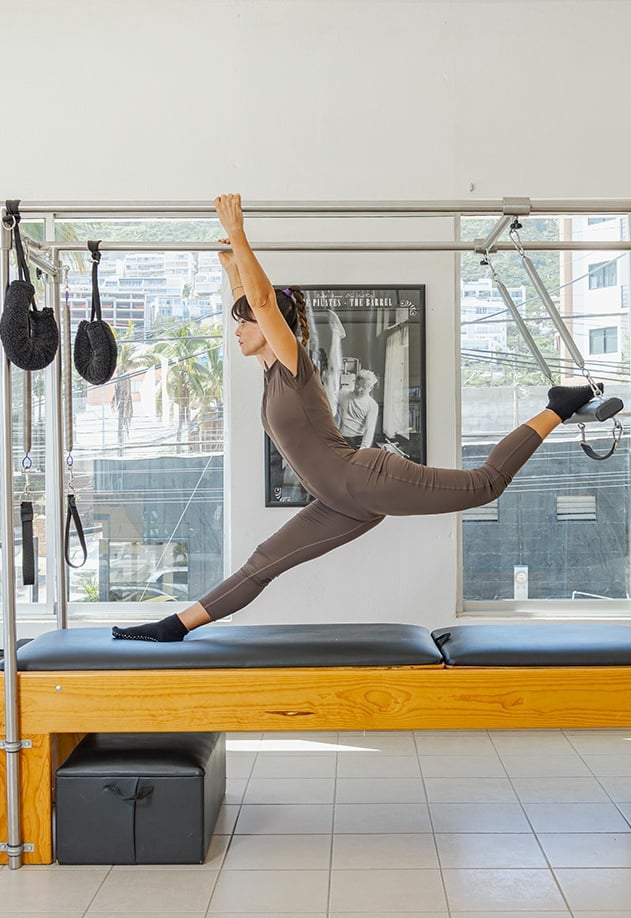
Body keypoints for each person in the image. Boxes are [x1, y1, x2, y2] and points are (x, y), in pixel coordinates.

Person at [113, 193, 601, 643]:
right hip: (339, 502)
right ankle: (172, 627)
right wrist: (230, 262)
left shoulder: (293, 363)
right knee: (263, 563)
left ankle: (558, 404)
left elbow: (262, 302)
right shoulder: (269, 375)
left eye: (244, 322)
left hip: (364, 478)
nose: (237, 329)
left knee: (486, 484)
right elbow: (252, 297)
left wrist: (240, 235)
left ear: (269, 326)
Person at [336, 369, 379, 449]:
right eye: (357, 385)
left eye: (363, 387)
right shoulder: (342, 394)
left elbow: (369, 429)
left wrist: (363, 448)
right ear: (354, 382)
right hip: (341, 437)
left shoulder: (372, 405)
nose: (359, 389)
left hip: (359, 441)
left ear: (371, 388)